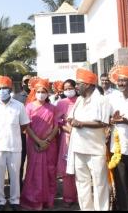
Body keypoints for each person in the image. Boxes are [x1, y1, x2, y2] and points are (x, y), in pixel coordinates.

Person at [66, 68, 110, 211]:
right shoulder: (79, 100)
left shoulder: (101, 100)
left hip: (95, 149)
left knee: (100, 184)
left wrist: (81, 123)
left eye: (79, 84)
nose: (76, 86)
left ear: (89, 84)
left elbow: (104, 123)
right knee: (82, 183)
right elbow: (72, 117)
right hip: (78, 148)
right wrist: (72, 120)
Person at [0, 75, 30, 211]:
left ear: (10, 89)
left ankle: (14, 200)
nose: (2, 91)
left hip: (15, 146)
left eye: (5, 88)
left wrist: (13, 132)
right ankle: (0, 201)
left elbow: (24, 125)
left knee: (15, 175)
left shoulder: (19, 106)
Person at [20, 77, 59, 210]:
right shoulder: (29, 107)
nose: (41, 94)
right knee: (34, 170)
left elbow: (56, 127)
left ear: (48, 93)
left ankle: (48, 199)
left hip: (50, 144)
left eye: (44, 91)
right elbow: (27, 126)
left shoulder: (53, 108)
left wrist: (46, 141)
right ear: (34, 92)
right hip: (33, 143)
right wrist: (39, 141)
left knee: (49, 170)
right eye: (39, 91)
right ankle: (34, 199)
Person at [108, 65, 128, 211]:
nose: (120, 83)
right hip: (118, 150)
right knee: (122, 187)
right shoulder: (113, 98)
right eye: (118, 81)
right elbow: (106, 118)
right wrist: (111, 120)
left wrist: (127, 121)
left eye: (123, 80)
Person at [55, 79, 78, 207]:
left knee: (80, 168)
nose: (68, 90)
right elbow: (58, 122)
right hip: (66, 139)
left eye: (70, 88)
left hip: (82, 138)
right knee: (67, 169)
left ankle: (82, 197)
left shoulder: (82, 101)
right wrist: (68, 130)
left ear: (76, 88)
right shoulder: (61, 103)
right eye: (66, 88)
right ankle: (69, 197)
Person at [13, 74, 32, 189]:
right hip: (21, 135)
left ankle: (32, 185)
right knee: (19, 161)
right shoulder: (16, 97)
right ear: (22, 83)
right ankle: (18, 185)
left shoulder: (40, 96)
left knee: (34, 162)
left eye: (30, 82)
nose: (28, 84)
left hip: (36, 136)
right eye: (26, 82)